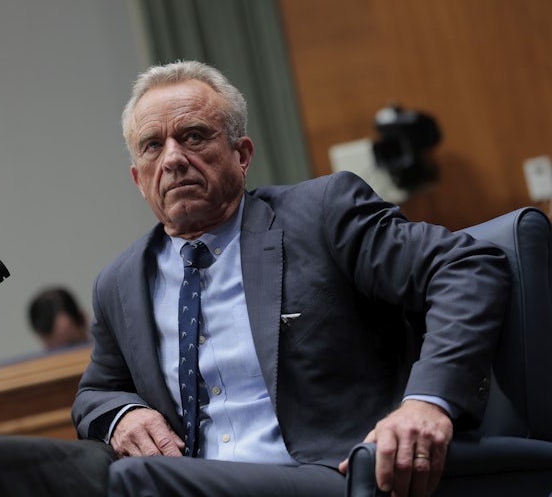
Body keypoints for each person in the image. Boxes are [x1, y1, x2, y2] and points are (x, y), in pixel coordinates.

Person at [71, 61, 511, 497]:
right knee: (56, 470)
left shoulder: (321, 215)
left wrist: (428, 401)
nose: (172, 159)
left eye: (193, 137)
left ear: (242, 155)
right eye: (152, 146)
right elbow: (97, 391)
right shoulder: (121, 283)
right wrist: (122, 415)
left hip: (333, 473)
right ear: (138, 178)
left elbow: (467, 267)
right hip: (193, 480)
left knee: (127, 483)